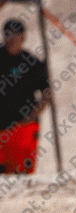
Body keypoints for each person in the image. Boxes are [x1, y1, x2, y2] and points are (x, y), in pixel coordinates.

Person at [0, 18, 50, 174]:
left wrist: (33, 114)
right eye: (7, 34)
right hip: (1, 128)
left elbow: (46, 92)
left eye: (14, 35)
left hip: (23, 127)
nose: (10, 39)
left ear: (23, 38)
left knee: (21, 175)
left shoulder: (31, 62)